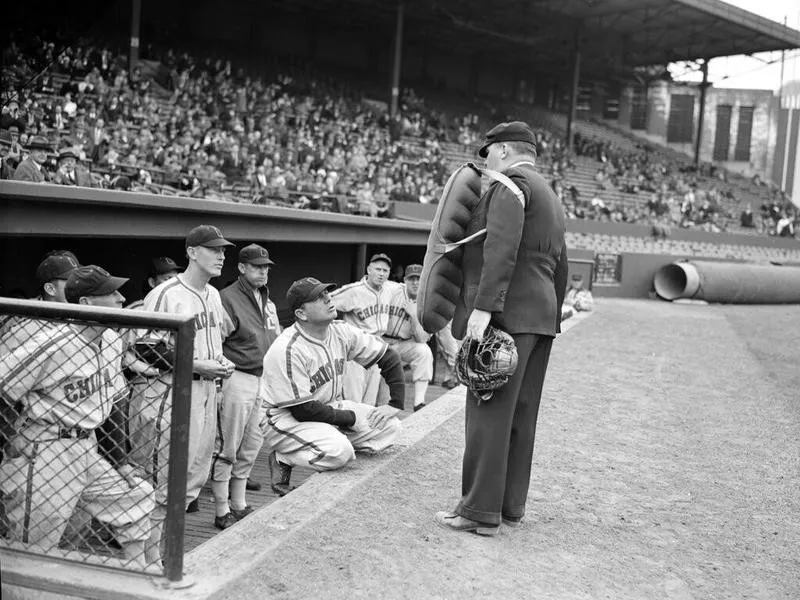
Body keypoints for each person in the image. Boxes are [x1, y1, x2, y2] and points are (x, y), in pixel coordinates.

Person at [435, 121, 568, 535]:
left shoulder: (509, 184)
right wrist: (551, 316)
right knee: (520, 416)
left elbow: (501, 247)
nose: (485, 161)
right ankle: (510, 506)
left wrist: (484, 308)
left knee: (488, 413)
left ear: (506, 151)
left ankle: (478, 512)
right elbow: (560, 267)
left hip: (507, 313)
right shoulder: (550, 194)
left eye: (488, 152)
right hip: (540, 318)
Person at [0, 265, 154, 568]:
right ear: (85, 304)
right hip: (45, 448)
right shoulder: (52, 343)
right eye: (111, 293)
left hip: (88, 447)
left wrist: (120, 462)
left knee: (136, 497)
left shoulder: (110, 341)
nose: (122, 298)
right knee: (35, 545)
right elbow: (3, 388)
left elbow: (113, 407)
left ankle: (142, 576)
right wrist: (7, 440)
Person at [129, 225, 235, 563]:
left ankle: (156, 554)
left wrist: (216, 360)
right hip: (168, 395)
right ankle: (145, 559)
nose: (221, 255)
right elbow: (145, 347)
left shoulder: (213, 294)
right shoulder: (166, 293)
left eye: (223, 250)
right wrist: (197, 365)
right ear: (191, 252)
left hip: (204, 393)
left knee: (191, 480)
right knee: (161, 481)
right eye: (213, 249)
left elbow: (211, 342)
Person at [259, 277, 404, 492]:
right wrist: (349, 419)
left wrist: (395, 403)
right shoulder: (288, 349)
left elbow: (388, 356)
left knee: (390, 427)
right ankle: (283, 458)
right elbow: (302, 410)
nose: (328, 299)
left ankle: (329, 439)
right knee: (339, 451)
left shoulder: (340, 331)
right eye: (318, 298)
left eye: (326, 294)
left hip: (327, 407)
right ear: (301, 314)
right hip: (283, 418)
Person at [212, 244, 281, 528]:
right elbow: (217, 343)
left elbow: (274, 338)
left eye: (266, 267)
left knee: (252, 443)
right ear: (241, 268)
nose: (263, 271)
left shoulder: (267, 299)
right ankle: (220, 509)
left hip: (261, 378)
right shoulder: (225, 298)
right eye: (257, 266)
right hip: (236, 376)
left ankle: (238, 503)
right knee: (228, 445)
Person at [330, 253, 401, 406]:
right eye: (378, 269)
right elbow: (325, 302)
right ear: (369, 269)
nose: (381, 274)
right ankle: (349, 427)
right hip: (356, 346)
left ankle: (364, 428)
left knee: (370, 396)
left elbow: (411, 289)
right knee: (353, 394)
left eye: (385, 271)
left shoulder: (390, 288)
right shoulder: (354, 290)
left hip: (377, 345)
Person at [382, 264, 433, 411]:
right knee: (382, 398)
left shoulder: (427, 302)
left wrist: (414, 315)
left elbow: (422, 338)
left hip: (404, 344)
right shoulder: (392, 290)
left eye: (419, 279)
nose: (416, 283)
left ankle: (419, 403)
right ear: (405, 280)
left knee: (424, 351)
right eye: (412, 279)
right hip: (382, 341)